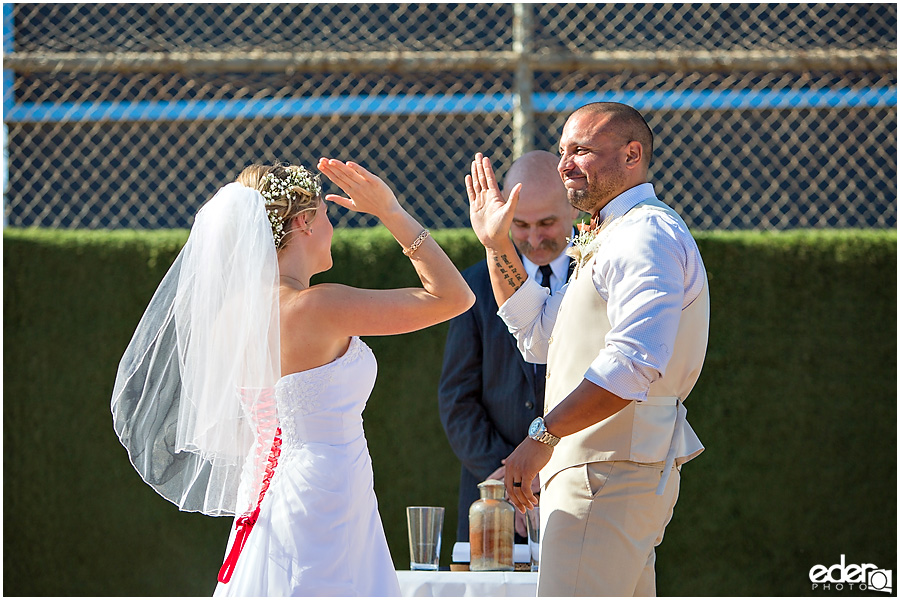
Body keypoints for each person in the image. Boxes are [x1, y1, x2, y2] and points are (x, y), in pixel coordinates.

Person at [111, 160, 474, 596]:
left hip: (265, 486)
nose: (332, 229)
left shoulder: (232, 318)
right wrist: (391, 213)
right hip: (326, 488)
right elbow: (454, 296)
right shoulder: (316, 307)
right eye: (326, 215)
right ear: (304, 222)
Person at [466, 102, 709, 596]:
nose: (564, 165)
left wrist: (542, 437)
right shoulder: (616, 232)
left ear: (631, 155)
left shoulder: (645, 234)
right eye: (562, 152)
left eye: (581, 151)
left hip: (607, 477)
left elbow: (634, 362)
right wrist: (496, 245)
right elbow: (539, 334)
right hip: (606, 476)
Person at [438, 150, 579, 545]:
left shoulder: (596, 275)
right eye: (521, 225)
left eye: (547, 223)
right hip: (492, 498)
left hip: (575, 483)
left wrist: (548, 464)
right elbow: (457, 398)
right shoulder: (476, 286)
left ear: (571, 208)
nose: (535, 239)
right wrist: (507, 477)